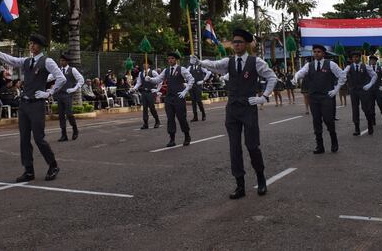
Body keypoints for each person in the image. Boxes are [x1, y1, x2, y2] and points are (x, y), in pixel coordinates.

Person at [192, 28, 277, 199]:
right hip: (232, 109)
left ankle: (261, 178)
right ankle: (240, 185)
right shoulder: (229, 61)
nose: (236, 45)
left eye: (239, 42)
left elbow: (272, 78)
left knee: (252, 146)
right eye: (234, 42)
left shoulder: (256, 62)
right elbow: (215, 65)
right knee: (234, 148)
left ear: (246, 44)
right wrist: (200, 62)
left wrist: (264, 97)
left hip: (248, 107)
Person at [0, 34, 65, 182]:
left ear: (40, 46)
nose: (31, 46)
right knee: (24, 139)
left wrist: (48, 93)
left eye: (34, 44)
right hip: (24, 104)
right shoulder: (27, 61)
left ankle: (53, 165)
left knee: (39, 138)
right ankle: (28, 170)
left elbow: (61, 78)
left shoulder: (47, 61)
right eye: (30, 43)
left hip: (37, 104)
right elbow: (11, 60)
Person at [293, 44, 346, 154]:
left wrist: (336, 90)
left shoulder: (330, 64)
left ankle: (334, 141)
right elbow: (301, 72)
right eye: (315, 51)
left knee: (328, 120)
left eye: (319, 52)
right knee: (316, 121)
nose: (316, 53)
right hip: (314, 97)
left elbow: (342, 76)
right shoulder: (309, 65)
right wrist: (296, 77)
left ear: (323, 53)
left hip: (326, 97)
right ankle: (320, 146)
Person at [147, 52, 195, 148]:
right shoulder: (166, 70)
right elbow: (158, 79)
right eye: (169, 59)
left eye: (172, 58)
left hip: (179, 97)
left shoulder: (182, 69)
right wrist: (150, 79)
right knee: (170, 118)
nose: (170, 60)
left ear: (176, 60)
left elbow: (191, 80)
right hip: (169, 97)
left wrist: (185, 91)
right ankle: (172, 139)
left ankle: (187, 136)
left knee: (181, 117)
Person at [52, 53, 84, 142]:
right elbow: (50, 77)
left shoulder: (72, 70)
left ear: (66, 61)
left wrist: (74, 89)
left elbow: (81, 80)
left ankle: (75, 130)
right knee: (61, 115)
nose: (61, 62)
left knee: (69, 113)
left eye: (63, 60)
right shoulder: (58, 70)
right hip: (59, 95)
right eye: (60, 60)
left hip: (67, 95)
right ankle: (64, 135)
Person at [345, 51, 377, 135]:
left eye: (356, 57)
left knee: (365, 108)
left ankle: (370, 124)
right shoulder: (349, 67)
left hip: (363, 90)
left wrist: (369, 84)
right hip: (354, 90)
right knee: (355, 109)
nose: (355, 59)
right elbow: (342, 74)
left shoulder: (365, 66)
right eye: (353, 57)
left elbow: (374, 75)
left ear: (360, 57)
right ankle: (357, 128)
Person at [131, 63, 161, 130]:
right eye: (143, 63)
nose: (144, 65)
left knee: (152, 107)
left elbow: (159, 80)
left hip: (151, 92)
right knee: (144, 108)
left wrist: (157, 89)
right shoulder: (140, 73)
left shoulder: (153, 72)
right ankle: (145, 123)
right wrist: (134, 88)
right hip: (144, 92)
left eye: (146, 63)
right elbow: (139, 82)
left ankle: (157, 121)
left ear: (149, 65)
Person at [368, 55, 382, 126]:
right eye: (371, 60)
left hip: (378, 89)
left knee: (380, 104)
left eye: (373, 60)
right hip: (370, 90)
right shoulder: (367, 68)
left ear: (376, 61)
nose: (372, 61)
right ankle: (373, 120)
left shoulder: (380, 68)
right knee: (371, 105)